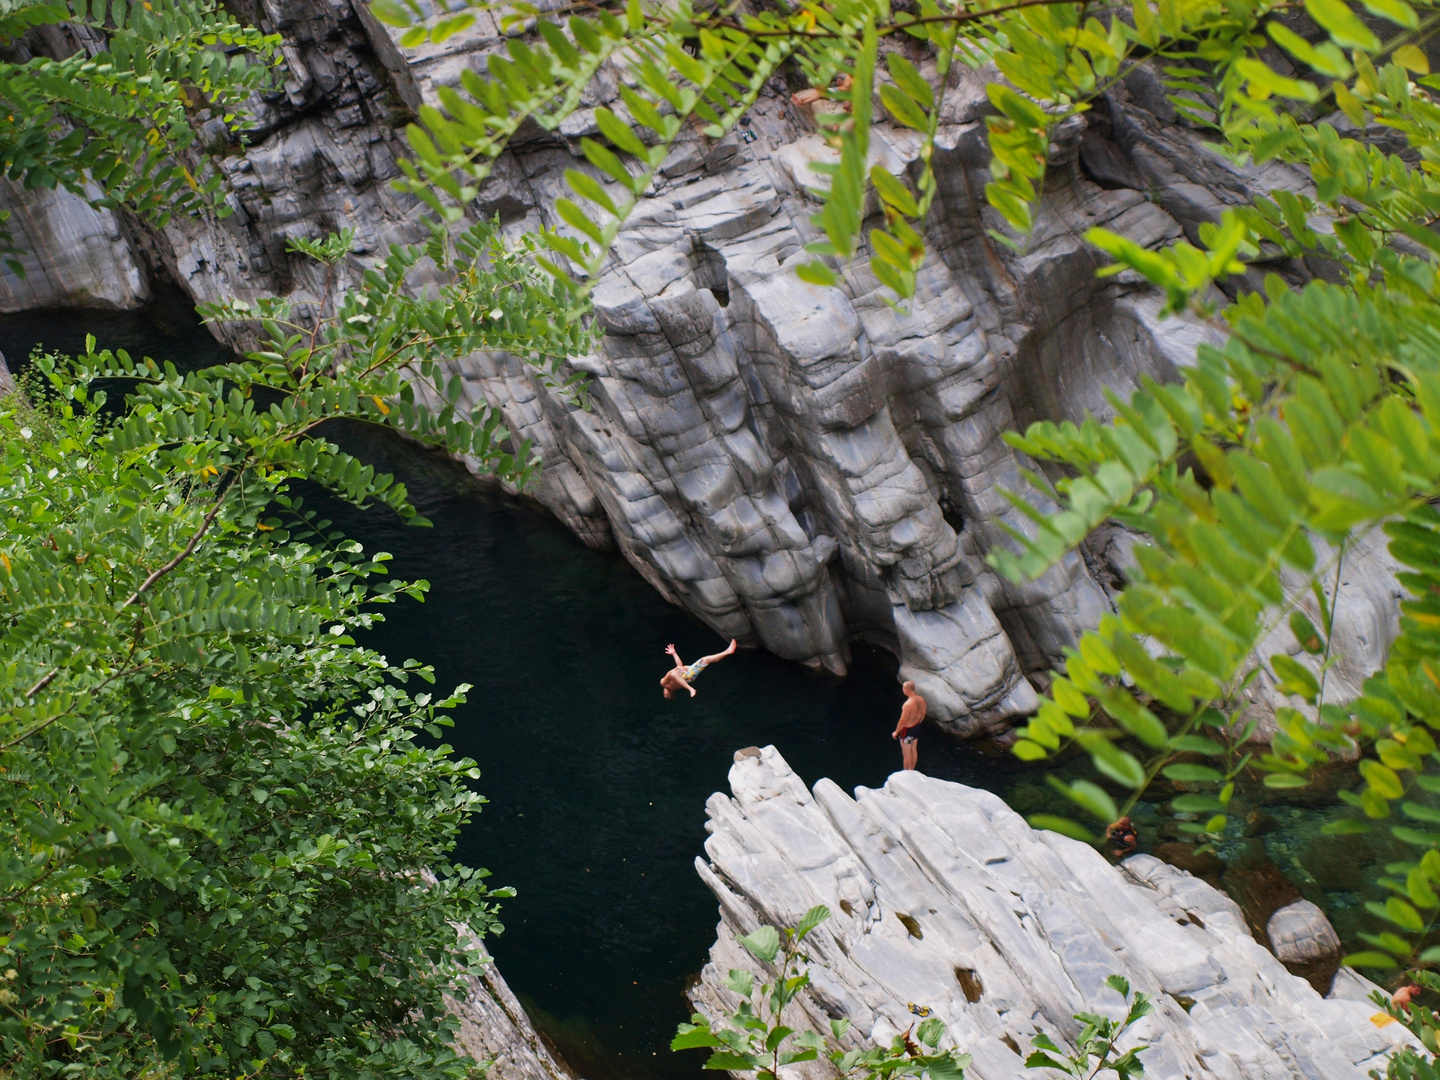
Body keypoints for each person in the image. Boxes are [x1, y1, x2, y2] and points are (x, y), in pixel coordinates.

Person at [660, 639, 737, 699]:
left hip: (689, 677)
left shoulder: (675, 687)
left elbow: (679, 667)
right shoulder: (664, 683)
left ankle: (728, 651)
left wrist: (674, 654)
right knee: (674, 673)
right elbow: (672, 673)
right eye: (664, 694)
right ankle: (690, 689)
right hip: (686, 675)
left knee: (705, 660)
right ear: (666, 693)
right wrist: (675, 658)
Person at [891, 681, 926, 770]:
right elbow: (923, 713)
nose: (902, 690)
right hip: (916, 727)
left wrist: (896, 732)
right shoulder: (921, 699)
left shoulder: (907, 704)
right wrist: (918, 722)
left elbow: (902, 721)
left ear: (908, 690)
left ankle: (907, 773)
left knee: (906, 754)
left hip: (907, 731)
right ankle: (912, 769)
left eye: (903, 688)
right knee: (914, 750)